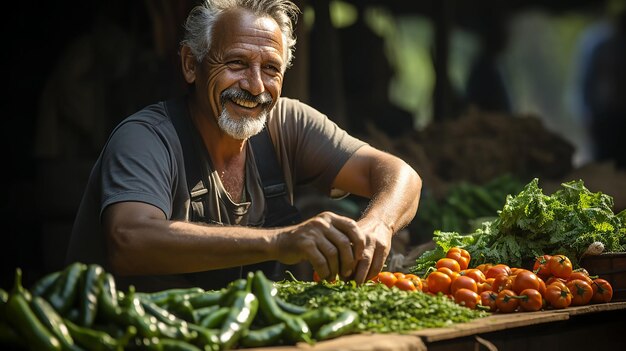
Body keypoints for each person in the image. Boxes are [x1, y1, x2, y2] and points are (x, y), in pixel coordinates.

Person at [66, 0, 422, 292]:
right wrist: (280, 242)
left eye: (271, 68)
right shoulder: (146, 138)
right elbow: (128, 240)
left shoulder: (286, 123)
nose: (255, 86)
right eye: (236, 63)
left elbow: (400, 174)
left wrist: (379, 224)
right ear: (191, 65)